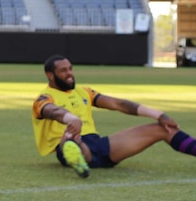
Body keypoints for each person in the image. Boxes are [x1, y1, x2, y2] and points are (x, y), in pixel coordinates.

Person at [32, 54, 196, 178]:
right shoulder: (44, 98)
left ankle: (83, 157)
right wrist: (71, 119)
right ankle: (77, 154)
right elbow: (53, 111)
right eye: (63, 71)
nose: (70, 73)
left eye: (70, 68)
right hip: (67, 142)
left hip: (99, 143)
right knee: (71, 140)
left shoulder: (84, 92)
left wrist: (158, 115)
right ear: (50, 75)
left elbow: (118, 104)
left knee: (165, 129)